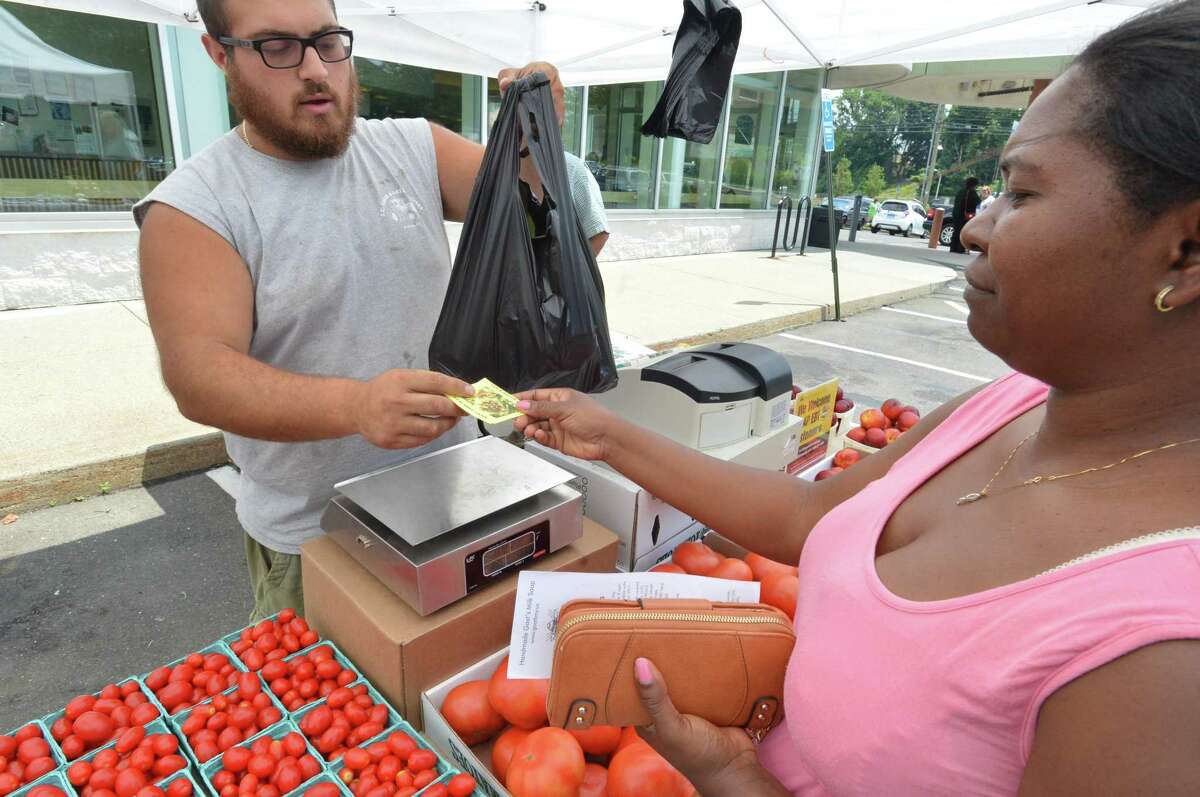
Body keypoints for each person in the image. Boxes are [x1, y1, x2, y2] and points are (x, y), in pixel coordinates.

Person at [513, 1, 1200, 793]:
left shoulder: (1163, 652)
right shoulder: (1009, 404)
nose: (972, 228)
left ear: (1185, 252)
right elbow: (812, 518)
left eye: (1021, 193)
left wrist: (738, 776)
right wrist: (606, 434)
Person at [134, 0, 565, 621]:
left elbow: (531, 210)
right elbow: (199, 377)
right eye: (277, 47)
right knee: (339, 716)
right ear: (218, 54)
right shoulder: (194, 209)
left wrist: (534, 144)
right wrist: (354, 406)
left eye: (328, 40)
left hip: (465, 496)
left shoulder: (414, 148)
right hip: (319, 539)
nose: (315, 70)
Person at [949, 175, 981, 252]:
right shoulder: (972, 192)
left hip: (956, 214)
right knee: (962, 231)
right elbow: (978, 202)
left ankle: (953, 248)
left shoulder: (960, 191)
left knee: (956, 231)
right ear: (974, 184)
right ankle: (960, 249)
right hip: (965, 216)